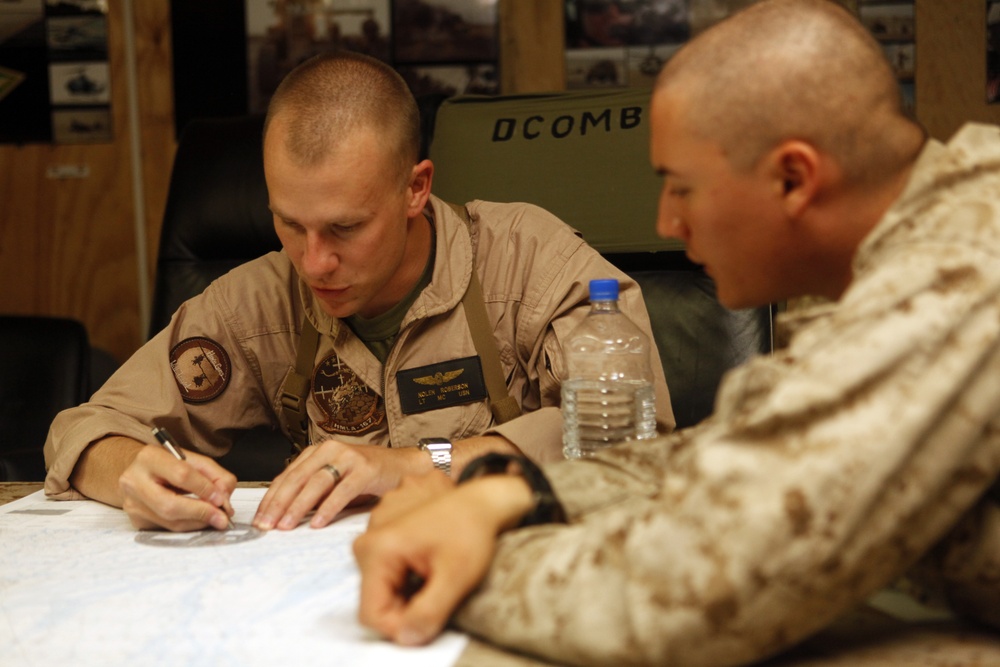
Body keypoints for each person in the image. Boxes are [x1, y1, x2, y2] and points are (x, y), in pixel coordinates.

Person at [352, 1, 1000, 664]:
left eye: (681, 188)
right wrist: (513, 492)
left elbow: (699, 592)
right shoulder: (899, 248)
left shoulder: (962, 271)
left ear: (793, 177)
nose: (666, 222)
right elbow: (745, 450)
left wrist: (458, 558)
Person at [42, 51, 674, 533]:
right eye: (290, 224)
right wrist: (134, 472)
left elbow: (635, 441)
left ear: (415, 188)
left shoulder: (532, 262)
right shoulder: (259, 299)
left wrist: (419, 464)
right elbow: (86, 427)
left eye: (346, 227)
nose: (315, 262)